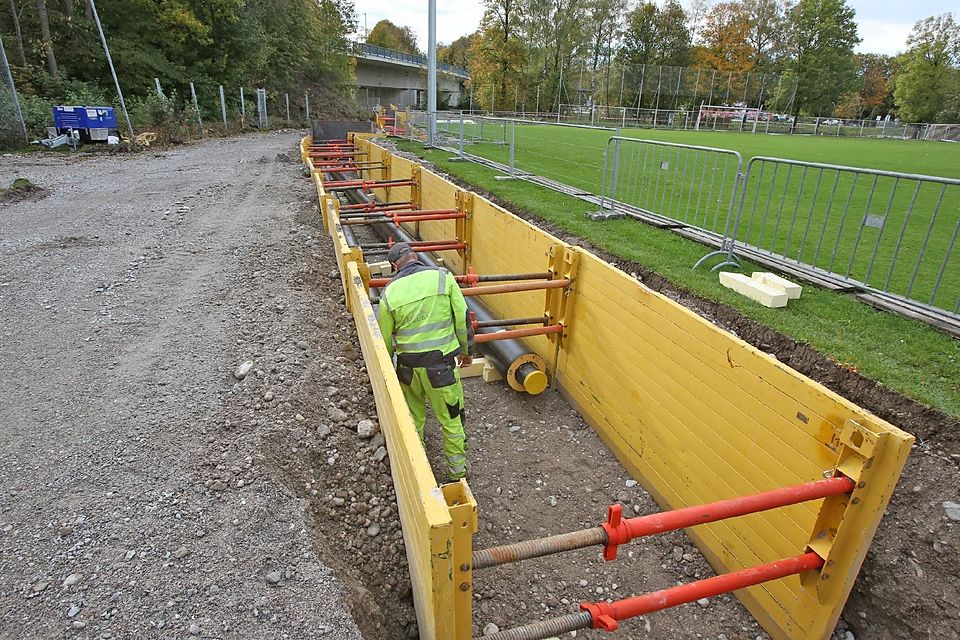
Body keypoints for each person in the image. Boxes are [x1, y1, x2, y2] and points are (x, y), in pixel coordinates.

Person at [376, 242, 474, 481]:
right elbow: (462, 318)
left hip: (408, 369)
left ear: (393, 266)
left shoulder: (389, 292)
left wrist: (388, 368)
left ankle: (419, 473)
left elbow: (384, 337)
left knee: (414, 419)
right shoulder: (442, 278)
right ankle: (457, 472)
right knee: (451, 420)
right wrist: (466, 351)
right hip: (441, 369)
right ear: (416, 256)